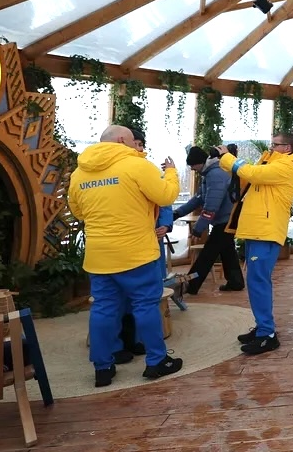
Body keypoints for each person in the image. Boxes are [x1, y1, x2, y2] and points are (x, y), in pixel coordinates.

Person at [68, 125, 182, 387]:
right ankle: (156, 361)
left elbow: (79, 213)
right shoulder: (136, 165)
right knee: (145, 306)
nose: (135, 146)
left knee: (103, 309)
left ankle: (103, 367)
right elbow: (166, 195)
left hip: (99, 256)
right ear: (122, 140)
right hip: (136, 253)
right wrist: (172, 173)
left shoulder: (78, 174)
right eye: (133, 142)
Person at [215, 133, 293, 356]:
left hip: (266, 231)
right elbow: (247, 176)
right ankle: (263, 326)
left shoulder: (288, 165)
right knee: (255, 281)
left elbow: (252, 174)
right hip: (258, 229)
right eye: (271, 144)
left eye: (276, 144)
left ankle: (268, 334)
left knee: (258, 281)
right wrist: (231, 162)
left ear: (287, 148)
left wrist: (228, 159)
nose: (271, 147)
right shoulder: (272, 161)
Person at [174, 145, 242, 294]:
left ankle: (190, 286)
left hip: (226, 220)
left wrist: (198, 229)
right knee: (227, 251)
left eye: (192, 165)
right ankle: (236, 282)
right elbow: (198, 199)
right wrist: (177, 213)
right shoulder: (209, 174)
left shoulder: (215, 175)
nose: (192, 169)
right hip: (225, 219)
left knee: (207, 255)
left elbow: (211, 206)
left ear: (200, 162)